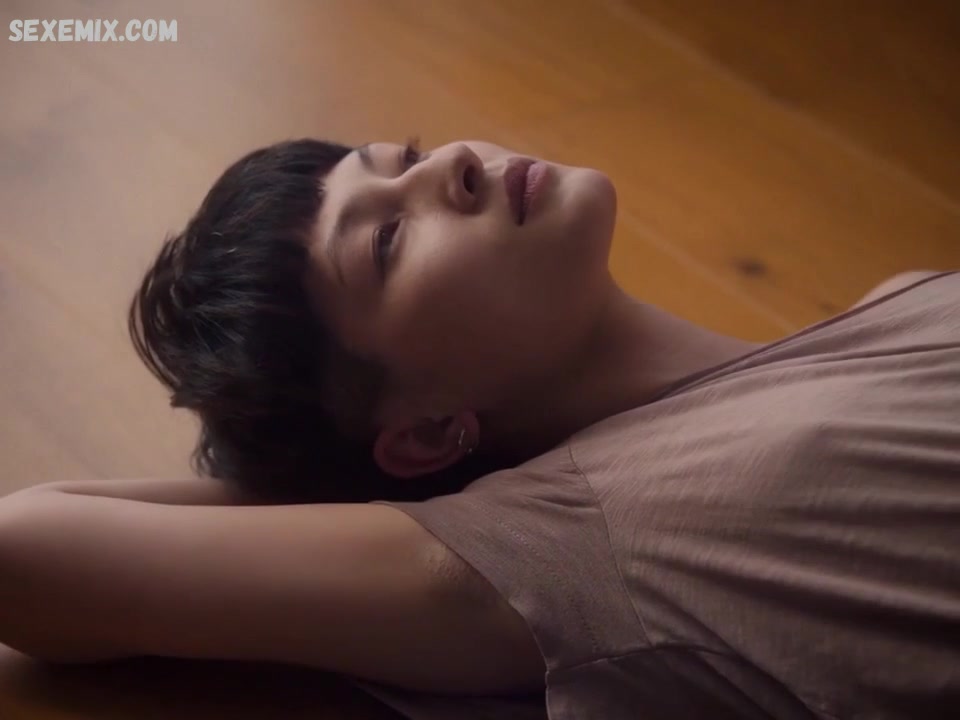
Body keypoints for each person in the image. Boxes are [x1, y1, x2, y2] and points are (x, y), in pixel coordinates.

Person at [0, 138, 957, 720]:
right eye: (386, 241)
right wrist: (377, 510)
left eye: (407, 158)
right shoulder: (571, 544)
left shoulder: (901, 301)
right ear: (420, 431)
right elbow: (26, 547)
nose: (453, 166)